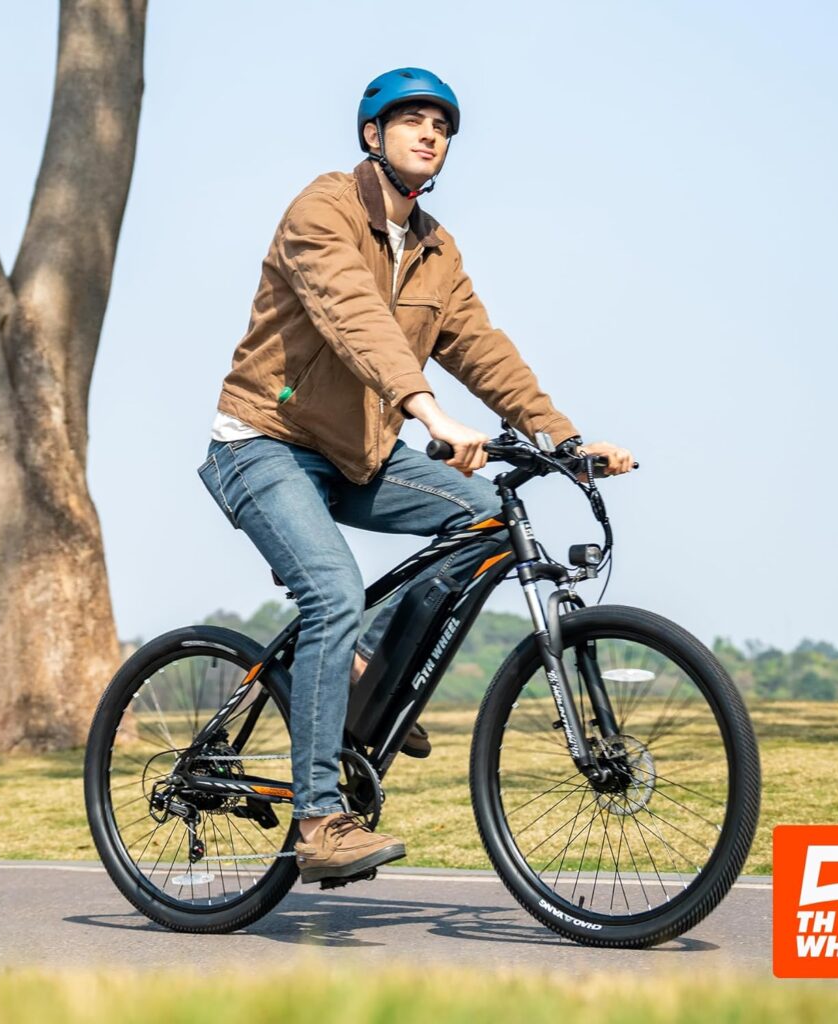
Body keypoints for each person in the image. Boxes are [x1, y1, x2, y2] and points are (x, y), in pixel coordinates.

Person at [197, 67, 635, 884]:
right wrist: (429, 413)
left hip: (359, 453)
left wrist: (565, 438)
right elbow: (354, 319)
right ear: (373, 135)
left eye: (441, 124)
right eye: (411, 120)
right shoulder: (321, 210)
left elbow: (482, 348)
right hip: (263, 442)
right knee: (332, 591)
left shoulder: (436, 249)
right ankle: (318, 822)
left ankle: (369, 677)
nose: (430, 133)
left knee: (484, 521)